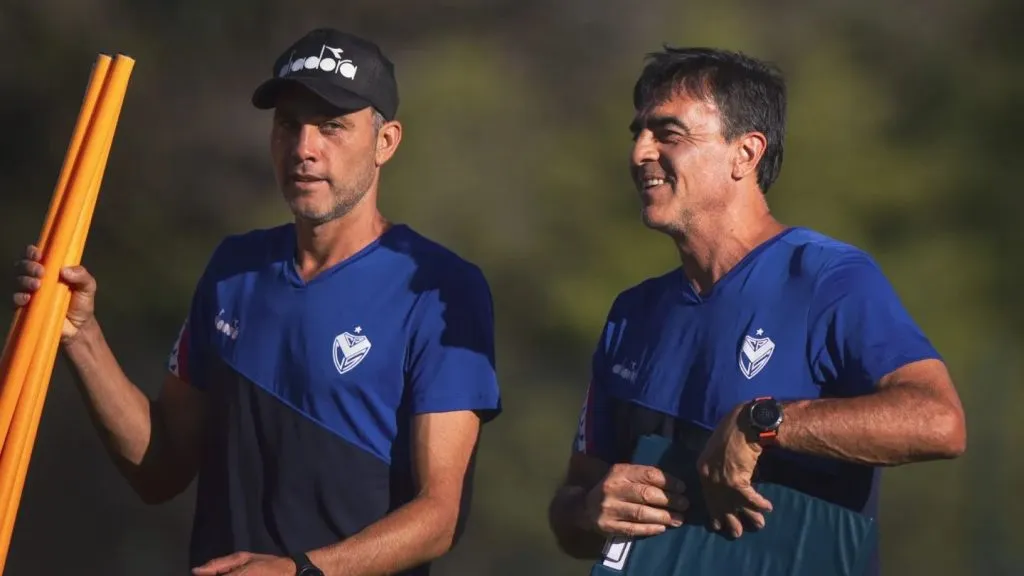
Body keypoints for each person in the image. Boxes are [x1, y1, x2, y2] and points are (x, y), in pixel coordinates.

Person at [12, 28, 501, 576]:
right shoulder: (233, 268)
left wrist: (298, 570)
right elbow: (160, 470)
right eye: (288, 124)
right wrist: (81, 335)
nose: (304, 148)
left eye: (332, 126)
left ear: (385, 141)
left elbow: (438, 517)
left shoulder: (440, 288)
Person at [546, 46, 966, 575]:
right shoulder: (631, 314)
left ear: (745, 153)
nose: (639, 153)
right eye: (638, 134)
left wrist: (764, 422)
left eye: (668, 134)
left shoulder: (827, 279)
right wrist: (590, 510)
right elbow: (572, 508)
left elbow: (939, 421)